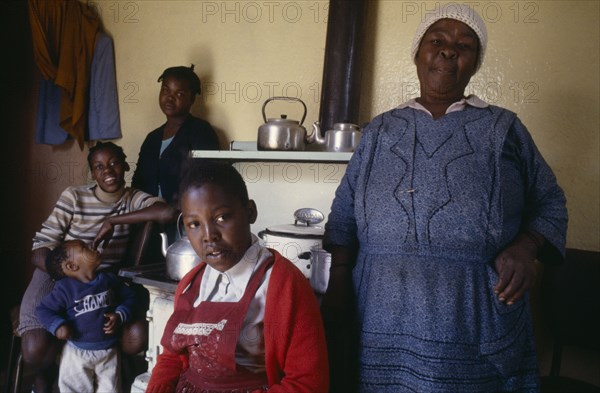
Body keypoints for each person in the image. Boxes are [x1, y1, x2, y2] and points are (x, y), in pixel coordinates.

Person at [321, 3, 568, 393]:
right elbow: (344, 212)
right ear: (418, 54)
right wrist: (337, 282)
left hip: (473, 316)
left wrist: (526, 247)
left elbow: (550, 200)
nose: (448, 50)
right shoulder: (380, 130)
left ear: (475, 63)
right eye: (437, 40)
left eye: (464, 45)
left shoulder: (503, 127)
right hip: (382, 313)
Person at [146, 160, 329, 393]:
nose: (209, 236)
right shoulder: (191, 283)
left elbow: (308, 383)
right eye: (194, 224)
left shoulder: (284, 285)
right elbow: (173, 355)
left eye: (222, 218)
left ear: (250, 212)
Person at [18, 141, 178, 393]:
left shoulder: (133, 199)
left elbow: (166, 212)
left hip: (99, 280)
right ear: (93, 173)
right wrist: (69, 279)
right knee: (35, 350)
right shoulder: (74, 196)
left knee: (123, 332)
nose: (108, 171)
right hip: (56, 274)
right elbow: (40, 248)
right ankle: (44, 379)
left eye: (114, 163)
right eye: (99, 167)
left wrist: (113, 220)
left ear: (125, 165)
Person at [131, 64, 220, 243]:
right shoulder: (152, 138)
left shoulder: (201, 131)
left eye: (179, 94)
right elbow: (138, 183)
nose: (170, 98)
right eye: (166, 91)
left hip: (185, 223)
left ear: (192, 99)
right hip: (149, 224)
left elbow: (207, 179)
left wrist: (176, 210)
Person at [36, 239, 138, 393]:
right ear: (72, 266)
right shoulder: (65, 289)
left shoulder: (108, 280)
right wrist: (57, 325)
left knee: (111, 390)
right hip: (77, 353)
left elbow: (130, 297)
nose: (92, 246)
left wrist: (120, 314)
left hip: (109, 351)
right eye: (84, 247)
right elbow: (43, 309)